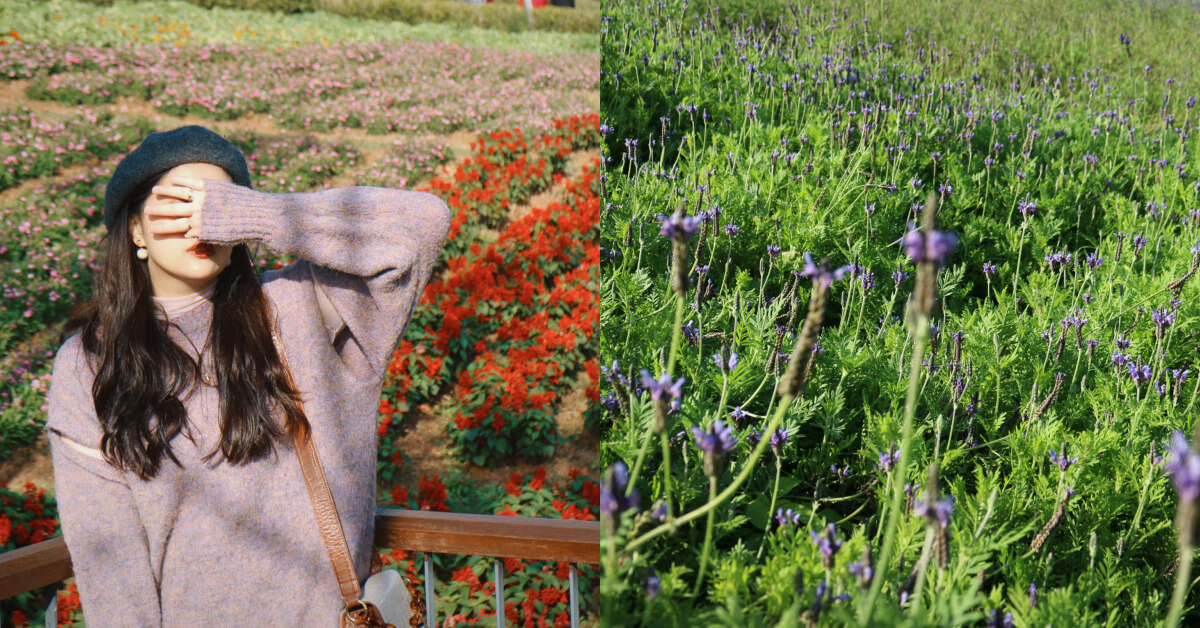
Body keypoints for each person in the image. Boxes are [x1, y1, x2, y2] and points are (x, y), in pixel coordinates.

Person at [44, 125, 451, 625]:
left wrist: (253, 213)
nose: (202, 225)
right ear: (135, 228)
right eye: (180, 204)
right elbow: (110, 566)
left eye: (215, 205)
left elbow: (422, 223)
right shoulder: (89, 363)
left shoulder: (298, 310)